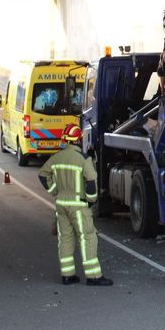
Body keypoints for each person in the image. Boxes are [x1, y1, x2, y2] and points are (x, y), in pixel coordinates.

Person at [39, 123, 112, 286]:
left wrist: (55, 191)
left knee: (65, 238)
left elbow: (43, 175)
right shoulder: (83, 159)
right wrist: (91, 200)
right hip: (78, 206)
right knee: (87, 238)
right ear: (78, 139)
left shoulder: (56, 157)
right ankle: (93, 276)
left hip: (61, 204)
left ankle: (67, 275)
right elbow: (92, 181)